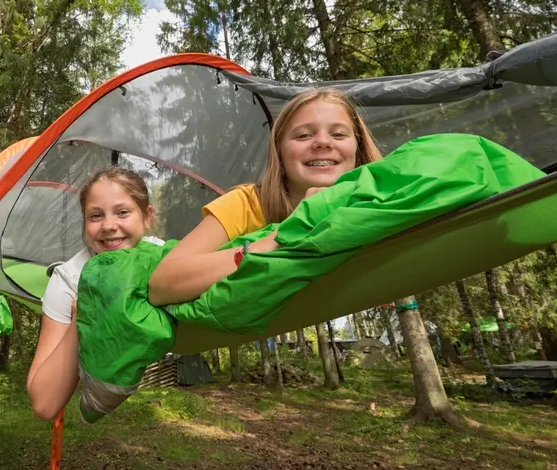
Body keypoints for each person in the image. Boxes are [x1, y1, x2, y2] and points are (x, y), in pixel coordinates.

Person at [148, 88, 381, 306]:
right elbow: (162, 285)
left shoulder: (383, 201)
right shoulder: (247, 203)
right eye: (303, 136)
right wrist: (280, 238)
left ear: (358, 148)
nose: (322, 142)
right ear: (279, 151)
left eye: (338, 134)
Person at [26, 167, 164, 420]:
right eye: (96, 216)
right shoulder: (68, 279)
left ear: (147, 217)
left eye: (123, 212)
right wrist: (82, 314)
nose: (109, 226)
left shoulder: (164, 259)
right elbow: (44, 404)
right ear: (84, 221)